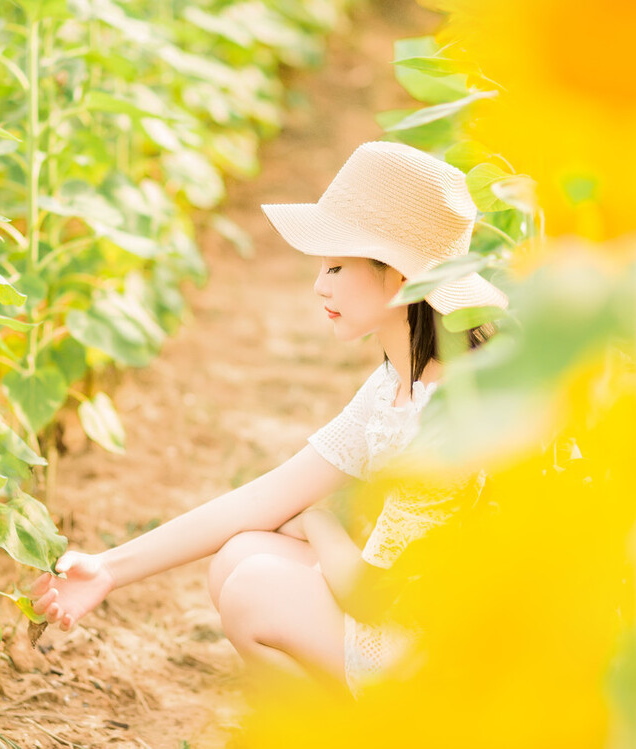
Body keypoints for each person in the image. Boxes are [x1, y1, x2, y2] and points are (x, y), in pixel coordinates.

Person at [30, 141, 509, 697]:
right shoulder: (396, 386)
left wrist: (316, 523)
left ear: (400, 279)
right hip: (400, 621)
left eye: (335, 264)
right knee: (241, 552)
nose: (319, 284)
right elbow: (263, 498)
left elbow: (374, 596)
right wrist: (110, 569)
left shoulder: (452, 412)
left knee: (253, 584)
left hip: (435, 660)